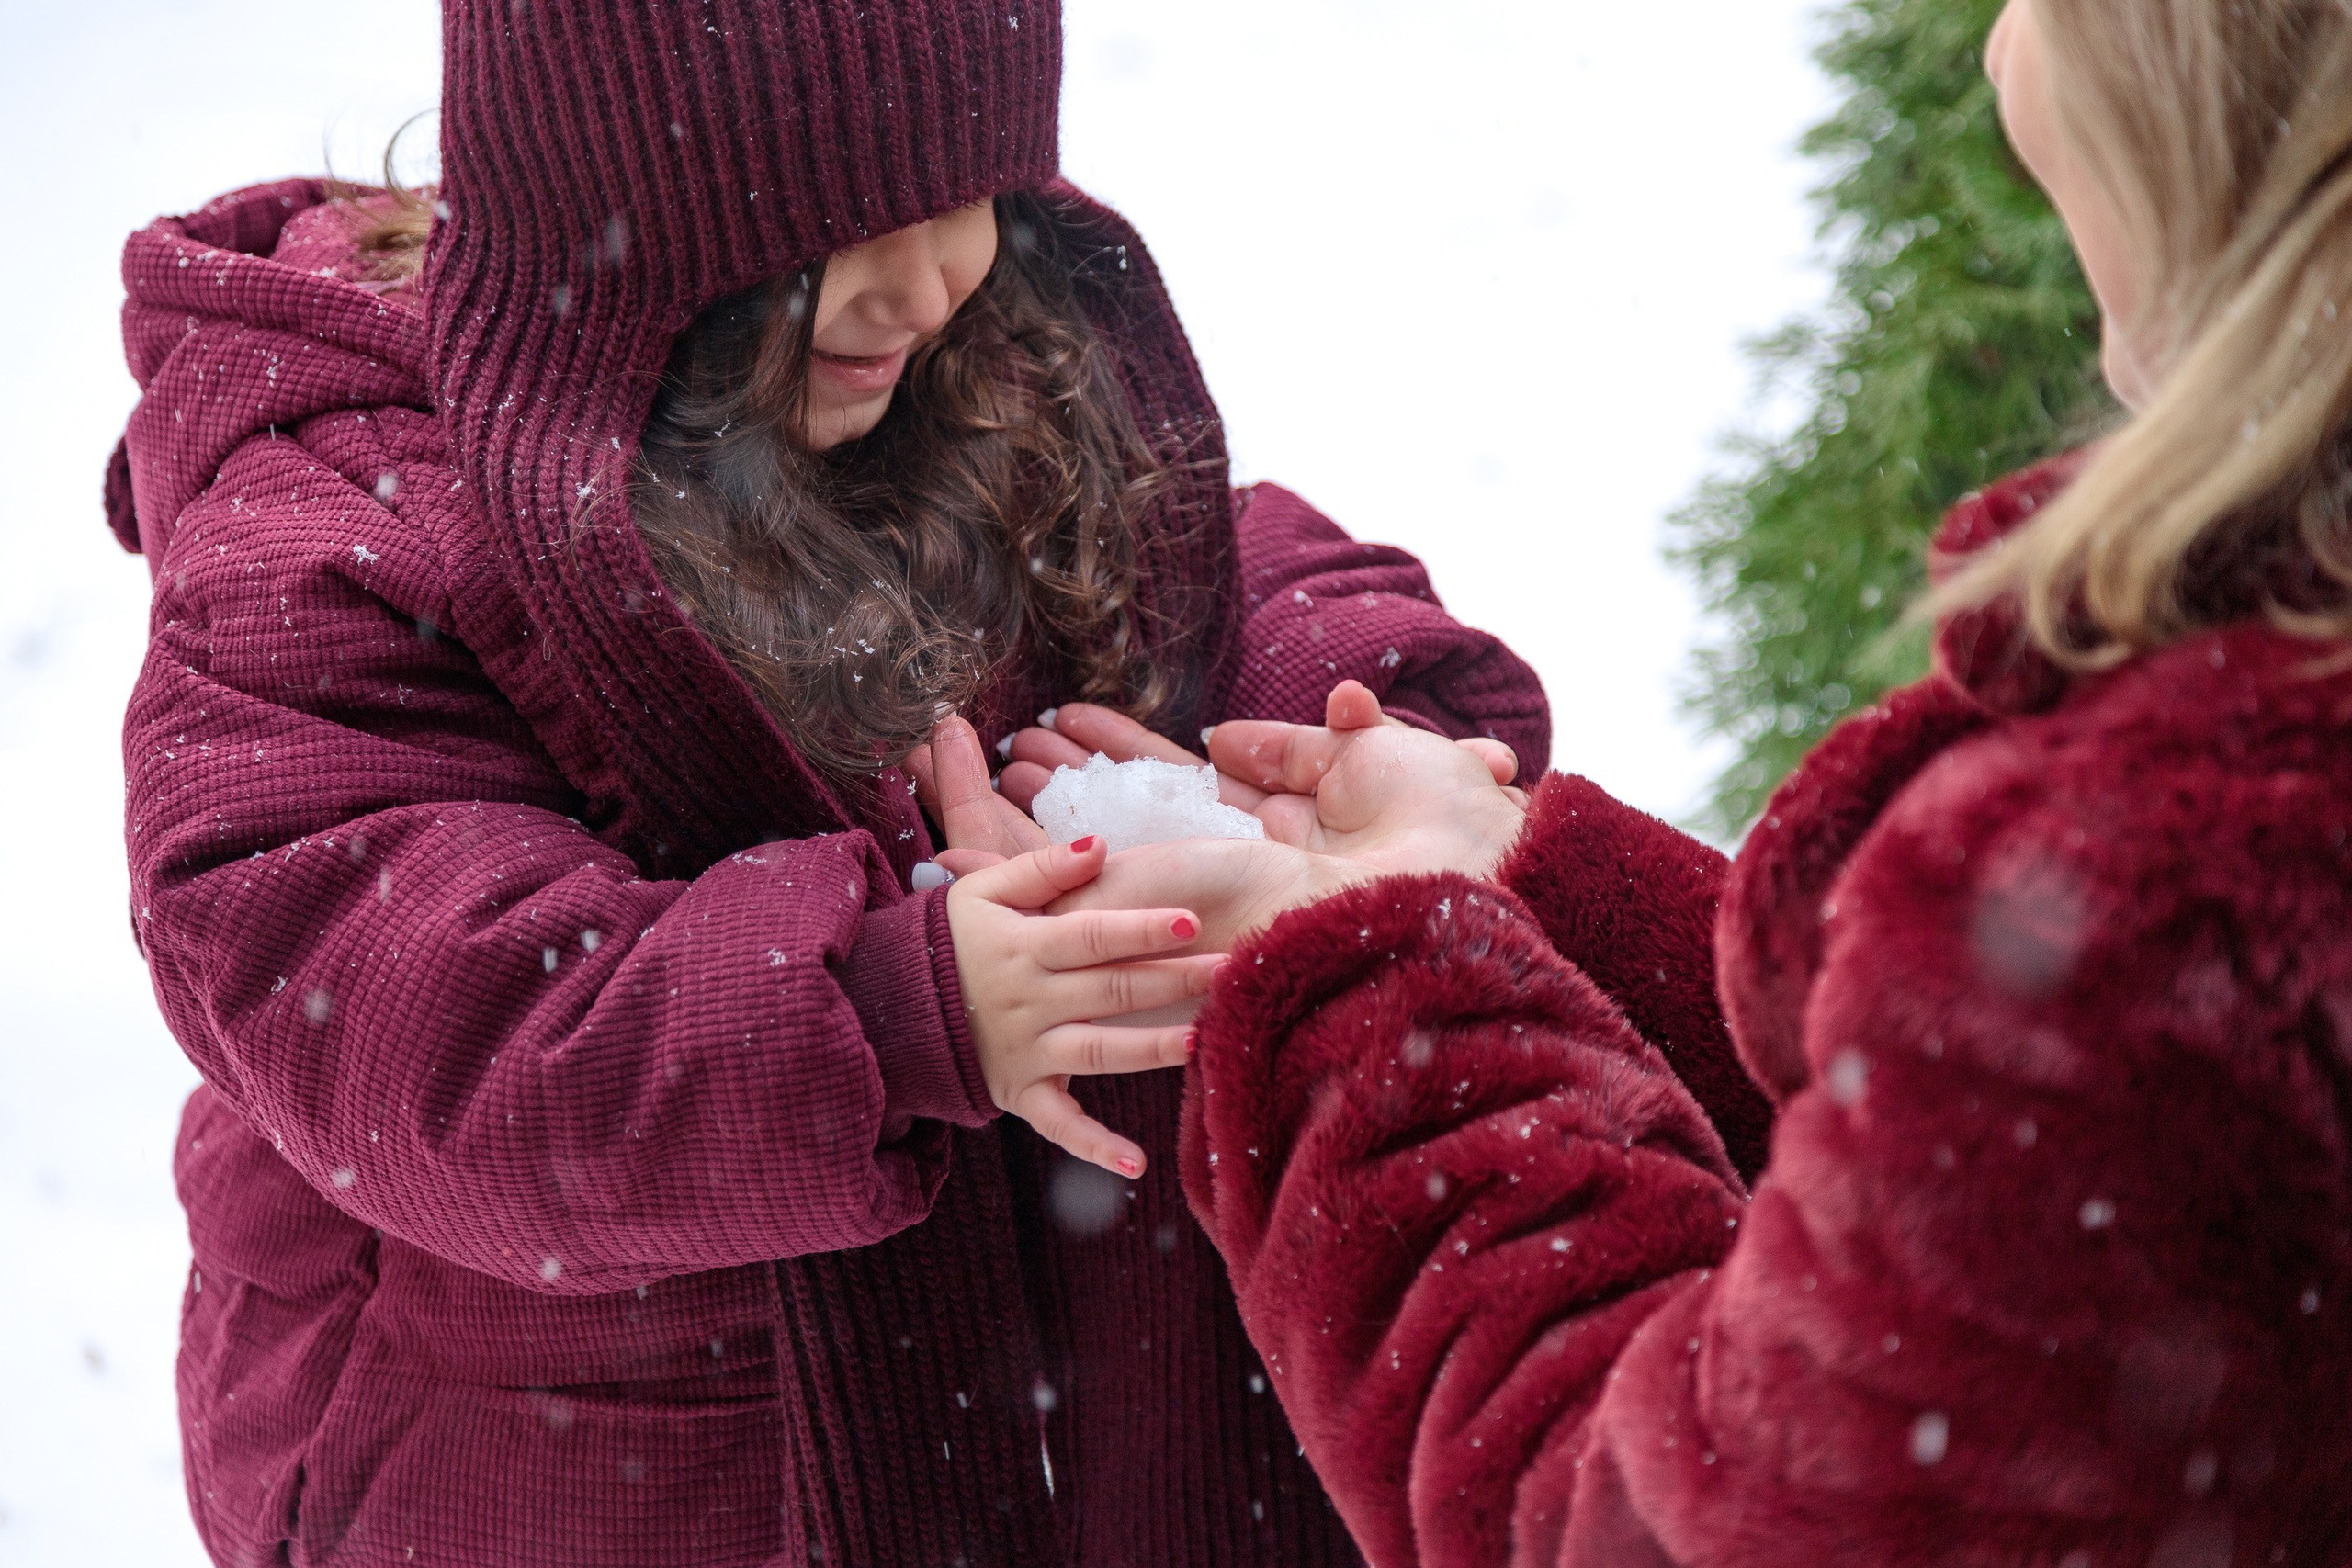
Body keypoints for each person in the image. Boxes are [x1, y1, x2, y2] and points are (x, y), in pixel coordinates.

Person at [107, 3, 1547, 1562]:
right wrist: (882, 1010)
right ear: (631, 182)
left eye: (973, 191)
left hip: (1036, 1406)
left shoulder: (957, 365)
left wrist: (1351, 724)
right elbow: (416, 1026)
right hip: (591, 1470)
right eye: (850, 222)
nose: (932, 278)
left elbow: (1192, 553)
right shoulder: (341, 532)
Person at [937, 0, 2352, 1561]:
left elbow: (1653, 1528)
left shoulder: (2154, 903)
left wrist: (1369, 989)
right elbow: (1997, 1242)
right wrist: (1538, 888)